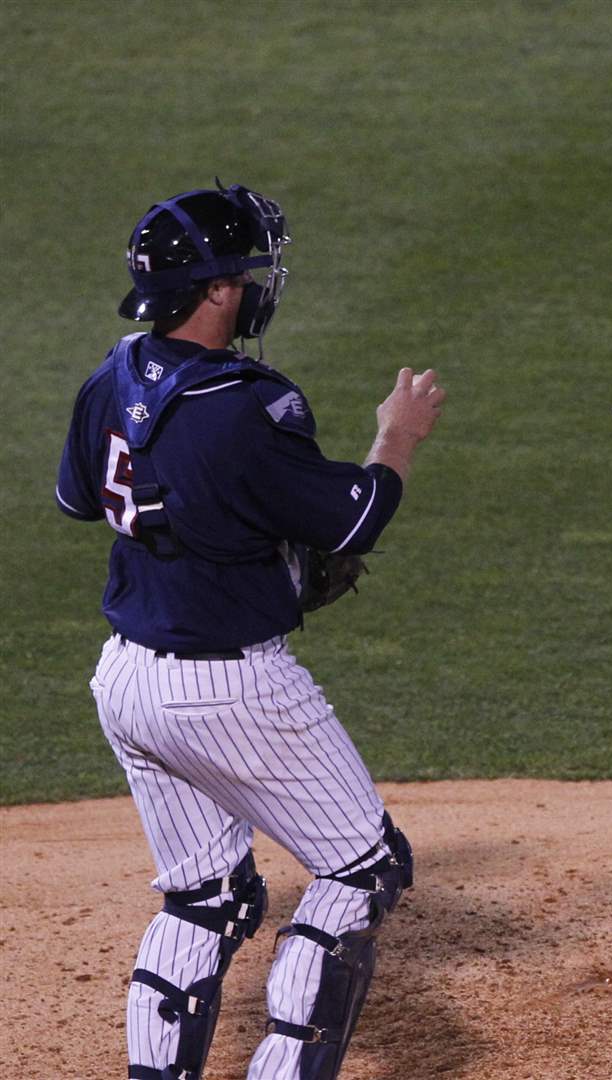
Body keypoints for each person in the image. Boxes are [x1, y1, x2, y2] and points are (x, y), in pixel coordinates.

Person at [55, 181, 445, 1079]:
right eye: (247, 273)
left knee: (207, 896)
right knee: (362, 870)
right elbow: (353, 518)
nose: (258, 286)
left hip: (127, 682)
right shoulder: (246, 403)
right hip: (229, 688)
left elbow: (84, 499)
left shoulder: (110, 376)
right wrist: (398, 436)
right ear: (218, 290)